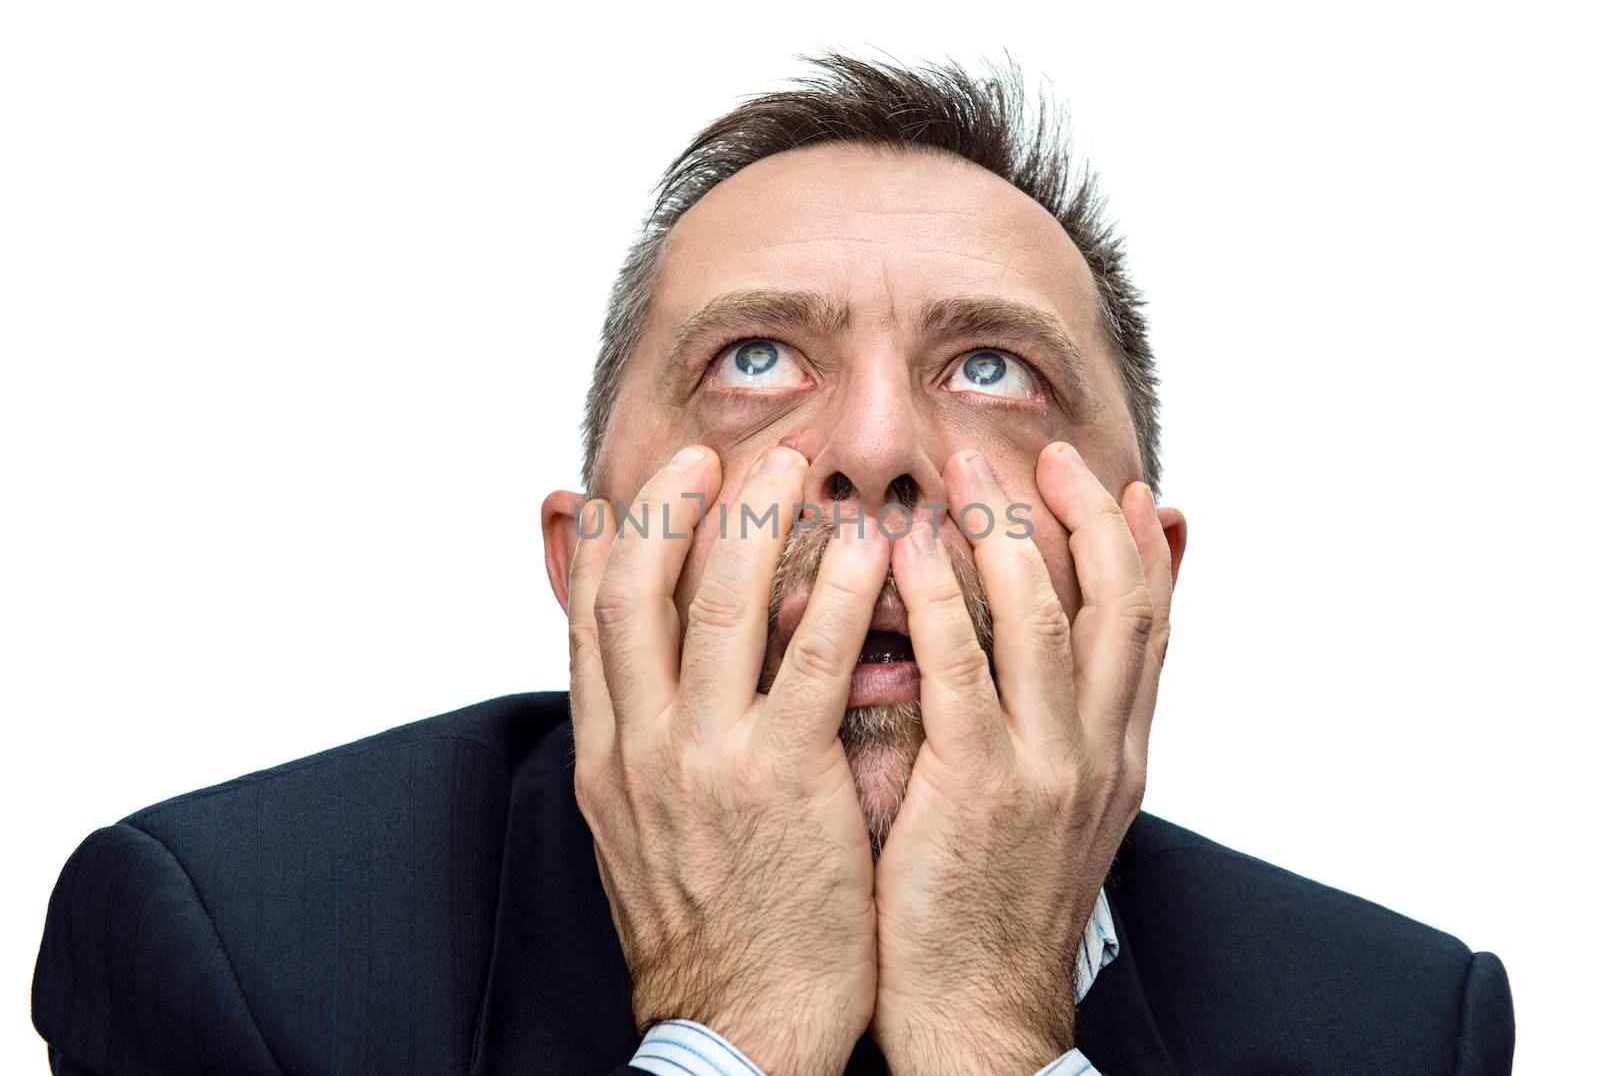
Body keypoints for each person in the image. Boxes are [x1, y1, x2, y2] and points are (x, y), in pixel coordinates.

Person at [32, 54, 1515, 1075]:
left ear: (1139, 572)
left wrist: (999, 1031)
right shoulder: (234, 947)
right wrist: (736, 1020)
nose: (879, 445)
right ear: (587, 560)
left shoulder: (1393, 1024)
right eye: (756, 358)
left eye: (992, 369)